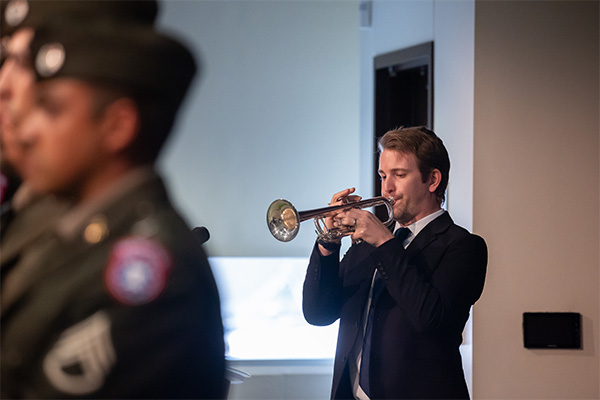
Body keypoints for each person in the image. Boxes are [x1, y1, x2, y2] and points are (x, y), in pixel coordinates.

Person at [0, 22, 226, 398]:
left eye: (51, 109)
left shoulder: (150, 277)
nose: (28, 131)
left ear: (118, 126)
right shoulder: (66, 230)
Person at [302, 126, 488, 400]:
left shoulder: (462, 246)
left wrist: (385, 243)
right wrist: (328, 243)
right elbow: (319, 313)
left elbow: (431, 320)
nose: (387, 187)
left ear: (433, 180)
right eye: (383, 175)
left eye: (399, 175)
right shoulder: (367, 244)